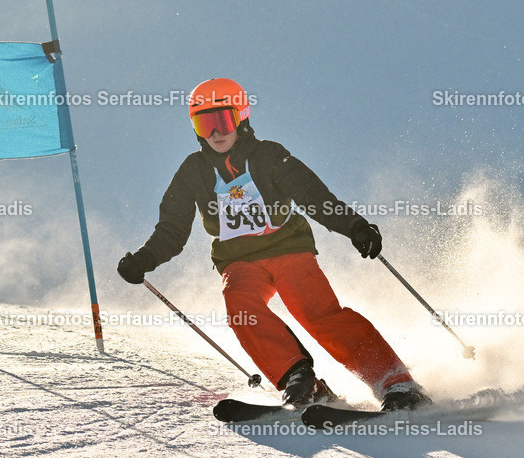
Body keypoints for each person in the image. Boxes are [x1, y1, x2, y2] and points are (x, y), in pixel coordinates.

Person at [117, 78, 430, 410]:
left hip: (287, 248)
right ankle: (298, 377)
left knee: (317, 312)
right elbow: (172, 229)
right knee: (240, 305)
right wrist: (144, 259)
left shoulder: (267, 155)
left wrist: (354, 226)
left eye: (221, 121)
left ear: (241, 119)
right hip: (238, 261)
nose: (215, 133)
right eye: (203, 124)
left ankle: (395, 383)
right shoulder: (192, 171)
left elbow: (313, 195)